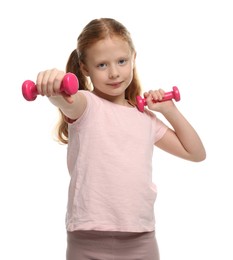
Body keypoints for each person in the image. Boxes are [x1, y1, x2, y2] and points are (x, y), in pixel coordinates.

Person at [35, 18, 206, 260]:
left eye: (122, 61)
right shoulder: (87, 104)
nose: (114, 72)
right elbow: (68, 101)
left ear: (134, 58)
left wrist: (170, 111)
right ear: (85, 69)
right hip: (87, 238)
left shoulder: (145, 118)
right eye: (102, 65)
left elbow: (196, 153)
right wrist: (55, 89)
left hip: (141, 237)